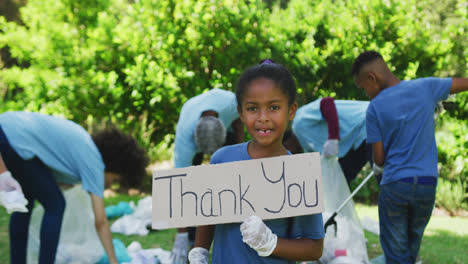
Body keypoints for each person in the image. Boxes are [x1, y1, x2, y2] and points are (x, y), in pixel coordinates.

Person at [187, 60, 324, 263]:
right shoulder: (222, 159)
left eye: (274, 107)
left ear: (291, 111)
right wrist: (199, 251)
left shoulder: (299, 174)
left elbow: (314, 249)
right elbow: (208, 216)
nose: (263, 117)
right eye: (252, 108)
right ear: (241, 113)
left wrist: (270, 243)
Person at [351, 50, 468, 264]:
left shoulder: (374, 108)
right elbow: (464, 83)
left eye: (363, 87)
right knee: (411, 253)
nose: (366, 93)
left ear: (372, 78)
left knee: (396, 256)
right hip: (426, 186)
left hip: (396, 186)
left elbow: (378, 159)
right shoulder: (425, 87)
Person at [0, 111, 149, 264]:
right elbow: (101, 222)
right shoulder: (95, 163)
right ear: (114, 165)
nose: (110, 185)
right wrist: (113, 260)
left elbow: (46, 174)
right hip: (15, 139)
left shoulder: (85, 147)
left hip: (7, 130)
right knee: (55, 205)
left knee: (25, 203)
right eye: (115, 179)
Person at [171, 88, 244, 264]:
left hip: (225, 126)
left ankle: (232, 217)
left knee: (230, 167)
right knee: (191, 182)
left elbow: (239, 122)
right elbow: (179, 183)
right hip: (190, 115)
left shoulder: (232, 103)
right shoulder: (185, 143)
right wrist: (181, 233)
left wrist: (241, 152)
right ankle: (190, 235)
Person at [289, 97, 374, 184]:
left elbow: (327, 102)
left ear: (288, 144)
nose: (293, 156)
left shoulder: (298, 122)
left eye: (289, 154)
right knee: (339, 180)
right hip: (357, 139)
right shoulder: (305, 146)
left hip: (367, 119)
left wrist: (333, 137)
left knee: (384, 175)